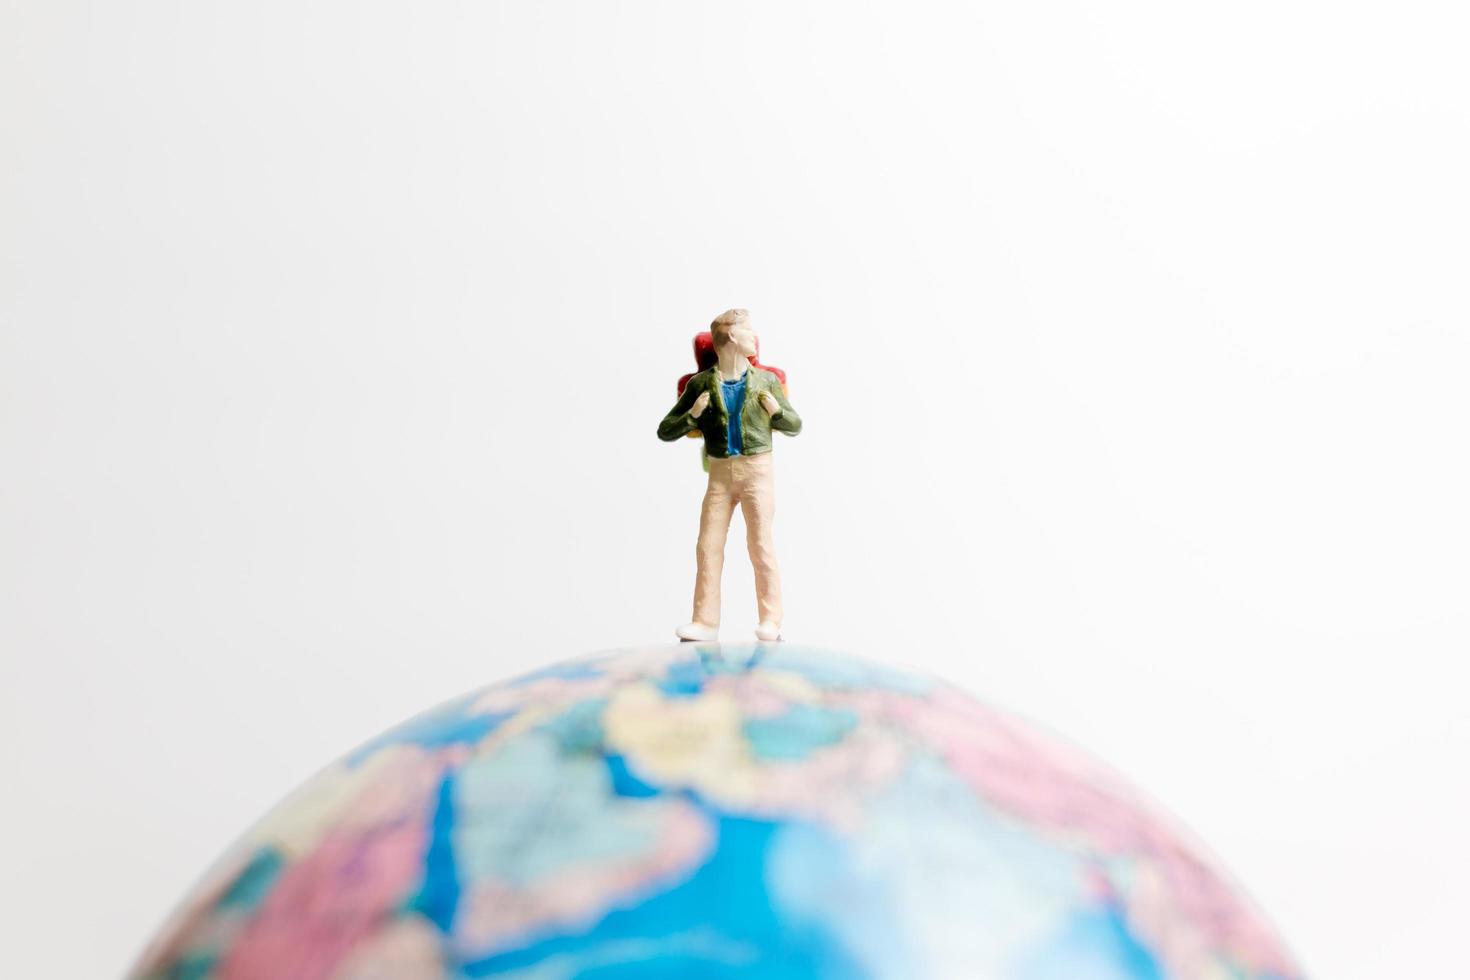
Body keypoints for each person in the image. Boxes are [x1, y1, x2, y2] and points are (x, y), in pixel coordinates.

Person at [657, 309, 802, 642]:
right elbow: (666, 429)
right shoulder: (700, 384)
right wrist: (692, 416)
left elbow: (794, 425)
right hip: (720, 473)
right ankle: (705, 622)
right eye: (748, 331)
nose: (755, 337)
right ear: (732, 338)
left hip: (757, 471)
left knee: (760, 544)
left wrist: (776, 412)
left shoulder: (766, 381)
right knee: (708, 545)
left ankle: (771, 619)